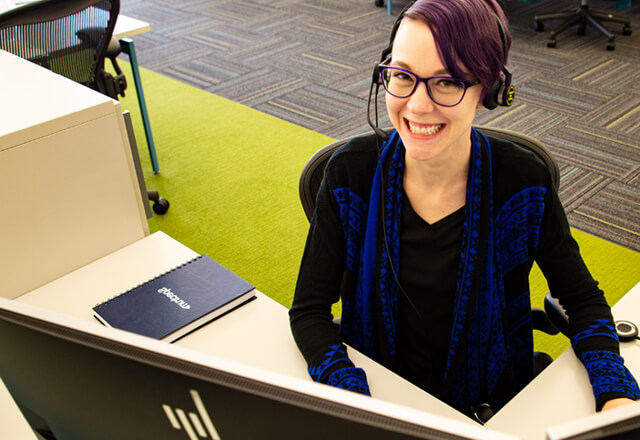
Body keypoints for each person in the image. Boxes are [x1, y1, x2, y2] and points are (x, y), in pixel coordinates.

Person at [289, 0, 639, 422]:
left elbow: (583, 301)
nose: (417, 106)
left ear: (488, 89)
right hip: (379, 398)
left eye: (447, 82)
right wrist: (355, 396)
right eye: (402, 76)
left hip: (492, 409)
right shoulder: (350, 175)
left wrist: (614, 394)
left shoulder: (522, 181)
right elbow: (309, 311)